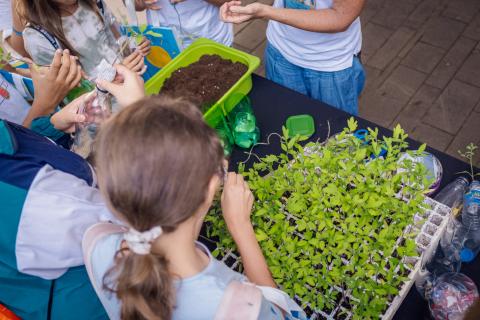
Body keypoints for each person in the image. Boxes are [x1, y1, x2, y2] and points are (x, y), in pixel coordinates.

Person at [84, 93, 306, 319]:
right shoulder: (239, 308)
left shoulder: (96, 242)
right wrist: (240, 227)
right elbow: (283, 313)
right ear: (210, 186)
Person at [0, 65, 144, 319]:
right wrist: (143, 116)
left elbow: (23, 155)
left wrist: (51, 126)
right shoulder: (26, 195)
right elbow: (139, 221)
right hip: (119, 298)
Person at [220, 0, 365, 115]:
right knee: (286, 126)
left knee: (337, 137)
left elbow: (341, 17)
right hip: (280, 51)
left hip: (331, 64)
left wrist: (265, 12)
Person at [18, 0, 150, 77]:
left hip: (134, 89)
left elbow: (118, 40)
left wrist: (134, 48)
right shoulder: (38, 37)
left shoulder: (94, 3)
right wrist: (118, 74)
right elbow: (74, 94)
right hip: (104, 116)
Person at [134, 0, 233, 48]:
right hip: (167, 44)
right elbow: (132, 4)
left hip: (212, 39)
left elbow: (230, 2)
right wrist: (141, 2)